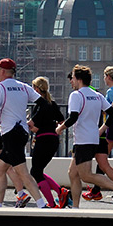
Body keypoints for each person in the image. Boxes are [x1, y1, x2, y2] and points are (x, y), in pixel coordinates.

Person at [0, 58, 48, 208]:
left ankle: (42, 204)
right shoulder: (23, 87)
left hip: (10, 134)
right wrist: (32, 121)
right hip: (21, 132)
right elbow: (44, 104)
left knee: (23, 172)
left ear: (3, 72)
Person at [56, 65, 113, 209]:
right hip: (93, 138)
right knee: (72, 173)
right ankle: (75, 207)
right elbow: (112, 113)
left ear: (79, 79)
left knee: (86, 175)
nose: (71, 81)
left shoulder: (76, 95)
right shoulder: (97, 95)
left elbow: (73, 117)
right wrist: (103, 128)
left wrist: (60, 128)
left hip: (83, 140)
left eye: (72, 78)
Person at [28, 77, 66, 207]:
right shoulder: (52, 103)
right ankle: (60, 192)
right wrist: (53, 125)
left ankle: (51, 202)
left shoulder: (40, 105)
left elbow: (34, 126)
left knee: (36, 172)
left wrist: (27, 123)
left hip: (43, 139)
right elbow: (62, 121)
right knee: (38, 170)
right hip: (53, 139)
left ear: (37, 90)